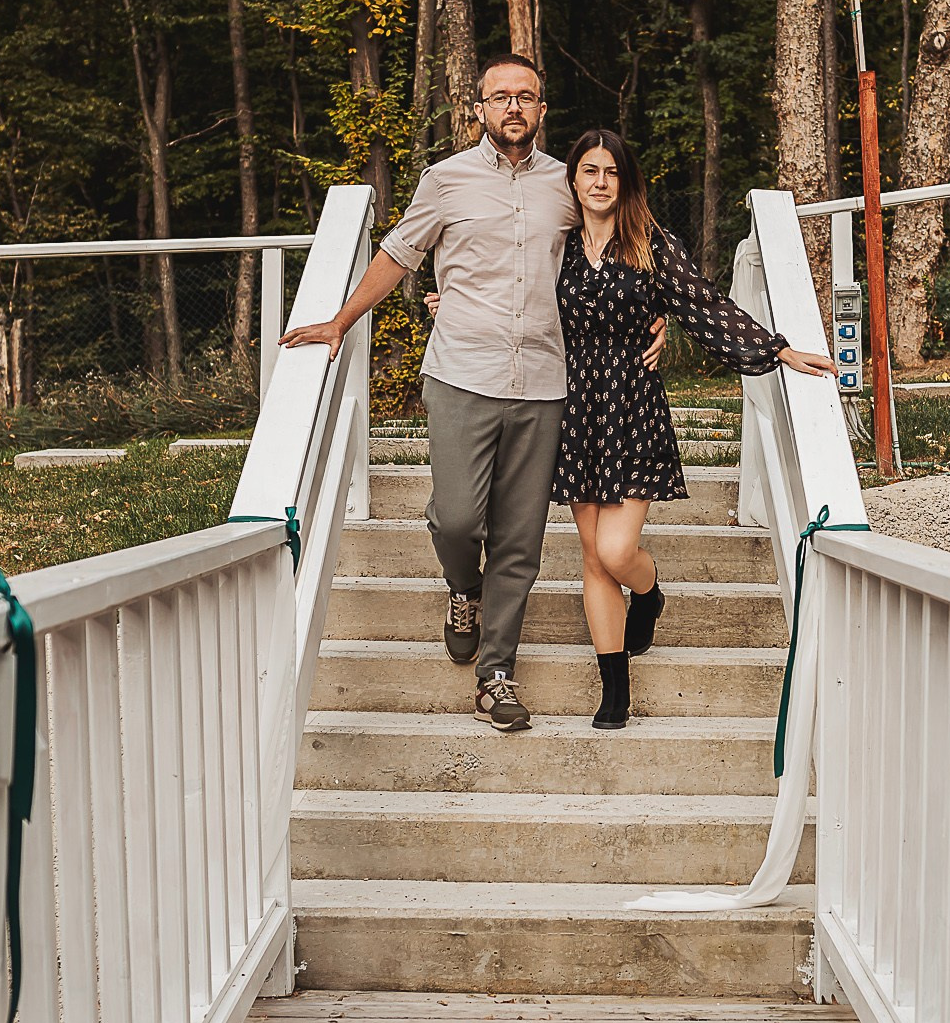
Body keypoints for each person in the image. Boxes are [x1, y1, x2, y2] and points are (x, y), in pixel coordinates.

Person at [279, 55, 664, 733]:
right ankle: (464, 587)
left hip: (548, 384)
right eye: (501, 97)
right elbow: (399, 254)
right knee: (457, 519)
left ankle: (495, 675)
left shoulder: (567, 186)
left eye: (527, 96)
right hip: (462, 372)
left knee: (520, 540)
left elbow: (614, 243)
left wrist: (655, 316)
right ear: (478, 109)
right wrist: (341, 321)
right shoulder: (445, 180)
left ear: (542, 110)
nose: (515, 106)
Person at [551, 129, 833, 730]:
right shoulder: (556, 247)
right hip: (574, 410)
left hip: (632, 405)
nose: (599, 183)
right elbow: (513, 297)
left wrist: (779, 351)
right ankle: (614, 691)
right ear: (573, 178)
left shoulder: (649, 243)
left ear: (624, 182)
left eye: (611, 173)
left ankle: (648, 594)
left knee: (617, 550)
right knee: (594, 559)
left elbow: (704, 303)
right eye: (589, 172)